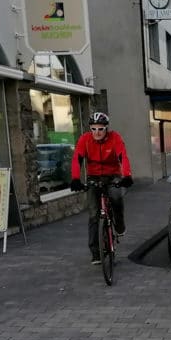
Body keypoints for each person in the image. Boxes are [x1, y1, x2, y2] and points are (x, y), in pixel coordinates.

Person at [69, 112, 133, 265]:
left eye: (100, 129)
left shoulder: (115, 138)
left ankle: (119, 224)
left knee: (116, 196)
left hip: (113, 176)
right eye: (93, 129)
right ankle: (96, 253)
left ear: (106, 128)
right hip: (94, 177)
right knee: (93, 214)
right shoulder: (85, 139)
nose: (97, 132)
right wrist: (75, 178)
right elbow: (77, 159)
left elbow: (122, 156)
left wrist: (127, 176)